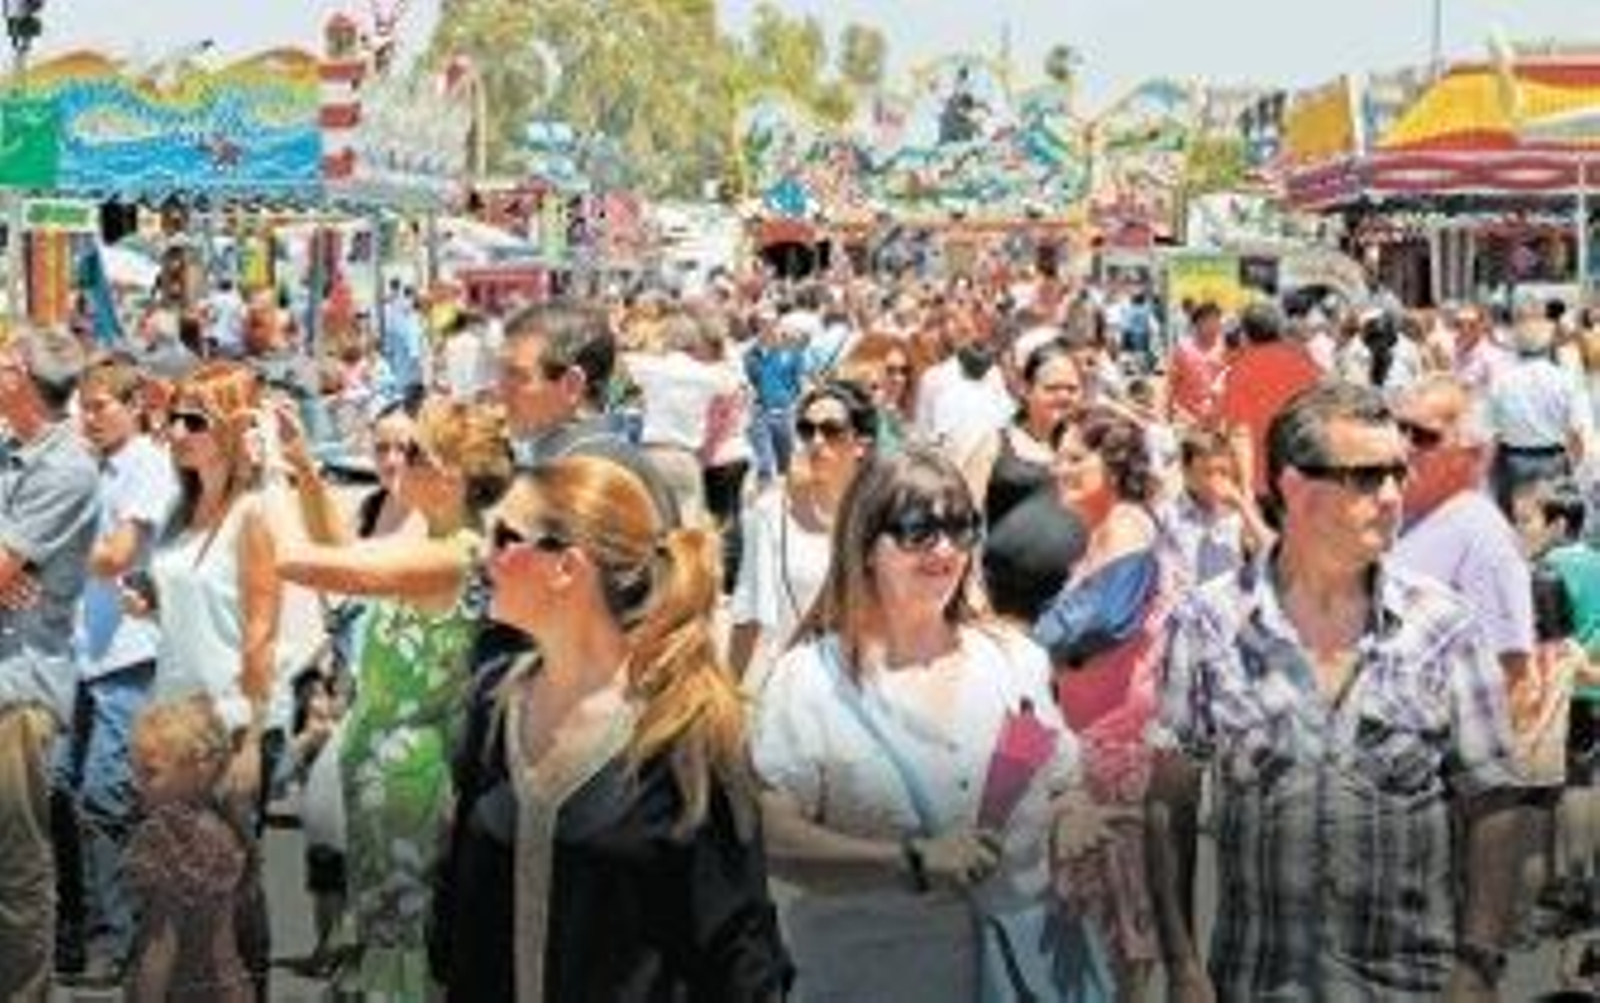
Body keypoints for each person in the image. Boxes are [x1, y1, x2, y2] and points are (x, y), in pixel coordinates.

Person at [1149, 382, 1524, 1001]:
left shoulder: (1444, 626)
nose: (1392, 496)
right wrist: (1182, 965)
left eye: (1398, 474)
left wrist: (1478, 966)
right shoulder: (1207, 623)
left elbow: (1494, 802)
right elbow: (1169, 803)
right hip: (1257, 980)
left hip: (1411, 987)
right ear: (1295, 488)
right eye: (1366, 477)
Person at [435, 455, 792, 1000]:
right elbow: (458, 913)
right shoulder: (493, 702)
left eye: (506, 537)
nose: (485, 557)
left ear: (567, 568)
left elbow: (740, 954)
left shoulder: (682, 732)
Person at [754, 447, 1098, 1003]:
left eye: (961, 527)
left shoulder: (1016, 663)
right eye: (918, 530)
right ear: (865, 546)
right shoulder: (808, 683)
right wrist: (908, 862)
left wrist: (1072, 819)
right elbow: (772, 836)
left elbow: (1060, 783)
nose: (945, 548)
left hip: (1022, 978)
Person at [266, 397, 510, 998]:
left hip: (408, 769)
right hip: (391, 759)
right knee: (387, 923)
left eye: (416, 452)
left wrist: (268, 473)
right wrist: (300, 462)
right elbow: (344, 551)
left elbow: (302, 562)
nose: (399, 462)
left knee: (398, 932)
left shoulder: (447, 555)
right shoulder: (439, 538)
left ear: (451, 474)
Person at [1031, 408, 1180, 1001]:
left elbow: (1105, 621)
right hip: (1086, 736)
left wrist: (1024, 641)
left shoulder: (1125, 524)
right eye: (1058, 457)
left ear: (1114, 463)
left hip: (1118, 749)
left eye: (1075, 458)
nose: (1059, 469)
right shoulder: (1096, 530)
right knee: (1100, 920)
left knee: (1121, 924)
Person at [55, 355, 179, 984]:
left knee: (106, 795)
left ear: (135, 406)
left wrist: (47, 546)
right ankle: (79, 926)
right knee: (61, 790)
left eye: (102, 404)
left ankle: (122, 936)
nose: (90, 416)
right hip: (81, 654)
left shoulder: (146, 468)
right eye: (86, 404)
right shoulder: (90, 466)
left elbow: (117, 555)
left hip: (127, 655)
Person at [0, 328, 101, 1000]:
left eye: (5, 360)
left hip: (16, 693)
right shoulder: (13, 452)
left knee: (16, 870)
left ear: (25, 381)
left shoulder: (67, 468)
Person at [728, 381, 876, 690]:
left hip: (865, 690)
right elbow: (748, 612)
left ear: (861, 443)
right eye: (807, 430)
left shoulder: (882, 517)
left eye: (832, 430)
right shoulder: (770, 513)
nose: (817, 441)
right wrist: (728, 692)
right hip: (791, 688)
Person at [1392, 374, 1534, 684]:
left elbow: (1514, 671)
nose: (1402, 445)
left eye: (1422, 436)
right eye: (1397, 428)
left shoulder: (1483, 536)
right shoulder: (1400, 513)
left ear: (1470, 452)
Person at [123, 696, 250, 1003]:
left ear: (197, 770)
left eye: (150, 772)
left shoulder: (167, 837)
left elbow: (160, 944)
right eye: (135, 769)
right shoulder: (224, 824)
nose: (134, 782)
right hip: (228, 986)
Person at [1215, 301, 1323, 500]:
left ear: (1245, 335)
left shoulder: (1240, 371)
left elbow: (1240, 432)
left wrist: (1246, 488)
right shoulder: (1307, 363)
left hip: (1262, 481)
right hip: (1304, 475)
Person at [1488, 310, 1593, 515]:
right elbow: (1577, 432)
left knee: (1515, 524)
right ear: (1549, 346)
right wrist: (1573, 466)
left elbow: (1492, 432)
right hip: (1553, 459)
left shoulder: (1502, 381)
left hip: (1513, 460)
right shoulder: (1565, 380)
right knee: (1554, 523)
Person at [1163, 427, 1272, 585]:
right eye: (1207, 473)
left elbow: (1272, 550)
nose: (1216, 482)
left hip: (1232, 605)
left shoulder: (1239, 512)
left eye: (1223, 472)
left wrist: (1242, 504)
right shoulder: (1169, 514)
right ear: (1186, 473)